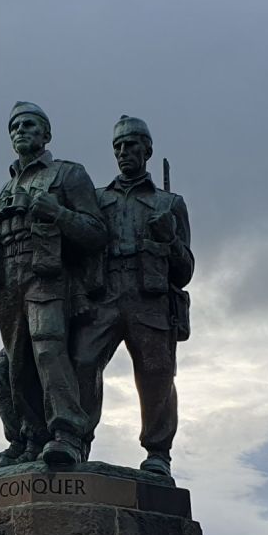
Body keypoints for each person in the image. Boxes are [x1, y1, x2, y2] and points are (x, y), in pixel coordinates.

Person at [0, 101, 107, 468]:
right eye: (15, 127)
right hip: (7, 283)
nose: (21, 131)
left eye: (30, 125)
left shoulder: (68, 174)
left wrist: (57, 212)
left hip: (48, 274)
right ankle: (30, 439)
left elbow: (96, 233)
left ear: (46, 134)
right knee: (15, 365)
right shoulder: (5, 188)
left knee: (48, 350)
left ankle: (67, 433)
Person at [74, 115, 194, 478]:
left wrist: (169, 239)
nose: (124, 152)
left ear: (147, 150)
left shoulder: (169, 203)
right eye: (118, 147)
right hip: (104, 294)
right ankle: (76, 441)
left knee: (156, 373)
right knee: (82, 362)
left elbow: (186, 270)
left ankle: (158, 452)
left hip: (149, 297)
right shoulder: (95, 199)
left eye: (131, 145)